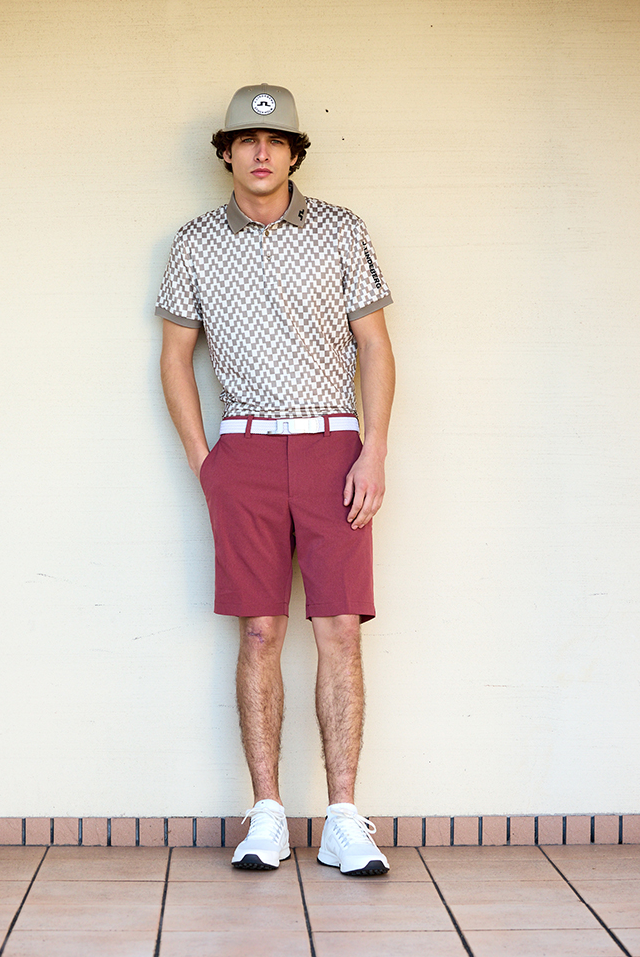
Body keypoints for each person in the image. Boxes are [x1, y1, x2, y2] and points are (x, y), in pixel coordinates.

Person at [156, 83, 395, 876]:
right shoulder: (194, 243)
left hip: (333, 447)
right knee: (259, 630)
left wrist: (374, 450)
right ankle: (266, 816)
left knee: (339, 628)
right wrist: (207, 461)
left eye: (277, 141)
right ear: (227, 152)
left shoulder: (340, 230)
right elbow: (175, 357)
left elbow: (375, 345)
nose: (262, 153)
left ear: (293, 153)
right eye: (248, 141)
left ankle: (344, 819)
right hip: (247, 452)